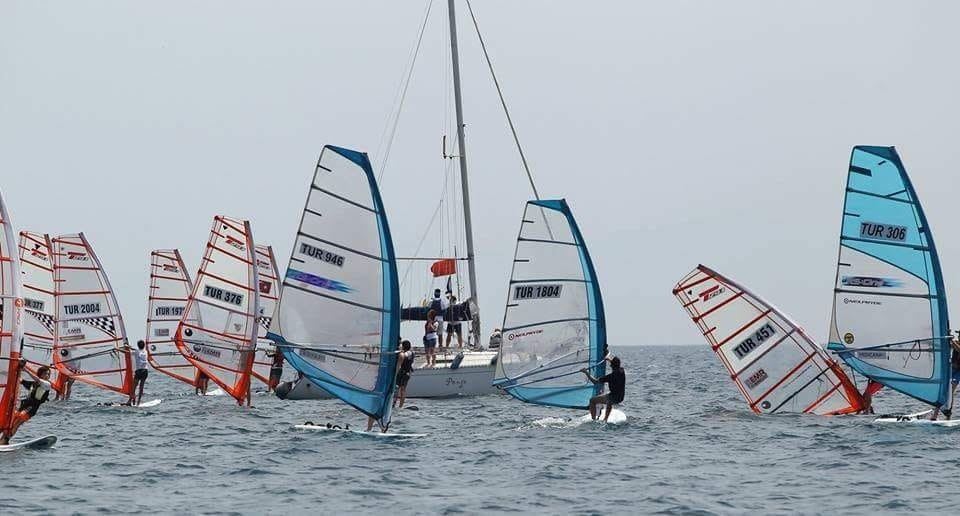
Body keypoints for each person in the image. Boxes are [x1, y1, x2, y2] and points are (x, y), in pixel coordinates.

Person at [1, 360, 52, 444]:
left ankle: (6, 440)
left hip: (32, 408)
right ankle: (2, 439)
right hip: (24, 405)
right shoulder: (33, 384)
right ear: (41, 374)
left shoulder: (47, 384)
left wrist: (25, 369)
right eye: (45, 374)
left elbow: (38, 380)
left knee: (18, 422)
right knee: (11, 421)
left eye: (48, 374)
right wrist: (13, 370)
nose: (47, 376)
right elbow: (20, 380)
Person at [581, 355, 625, 422]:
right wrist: (608, 359)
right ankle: (605, 419)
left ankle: (594, 420)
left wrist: (586, 372)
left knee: (592, 400)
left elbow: (595, 382)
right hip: (621, 397)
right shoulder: (622, 371)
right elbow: (616, 365)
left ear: (611, 366)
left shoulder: (610, 377)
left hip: (613, 397)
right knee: (609, 400)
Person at [930, 335, 960, 420]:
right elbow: (949, 345)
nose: (959, 336)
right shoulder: (956, 342)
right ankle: (935, 414)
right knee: (943, 391)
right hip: (951, 369)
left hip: (958, 372)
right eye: (959, 335)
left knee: (950, 391)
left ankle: (948, 414)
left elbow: (958, 349)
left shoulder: (956, 343)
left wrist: (951, 341)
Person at [394, 340, 414, 409]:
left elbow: (403, 356)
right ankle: (394, 404)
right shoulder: (407, 352)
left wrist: (400, 352)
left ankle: (400, 406)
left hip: (405, 373)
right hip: (403, 372)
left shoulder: (409, 352)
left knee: (402, 389)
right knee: (397, 388)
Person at [128, 340, 149, 406]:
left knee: (134, 387)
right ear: (144, 346)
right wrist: (130, 347)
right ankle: (138, 402)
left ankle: (130, 401)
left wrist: (118, 349)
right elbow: (137, 350)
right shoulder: (146, 351)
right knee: (141, 387)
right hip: (145, 371)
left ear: (137, 345)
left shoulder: (136, 352)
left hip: (139, 371)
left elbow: (127, 352)